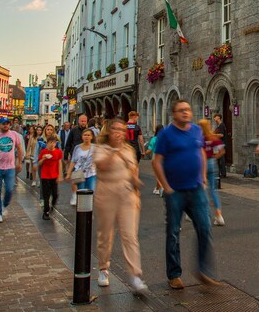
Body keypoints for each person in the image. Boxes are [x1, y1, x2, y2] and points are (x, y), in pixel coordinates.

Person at [152, 100, 220, 289]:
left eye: (188, 110)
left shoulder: (197, 130)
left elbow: (201, 152)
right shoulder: (166, 134)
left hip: (196, 188)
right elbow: (156, 162)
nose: (185, 113)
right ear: (174, 114)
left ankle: (203, 270)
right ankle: (174, 274)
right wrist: (165, 186)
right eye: (181, 110)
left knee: (205, 227)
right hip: (175, 191)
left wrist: (204, 176)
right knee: (173, 232)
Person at [93, 117, 147, 294]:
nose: (120, 133)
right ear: (109, 131)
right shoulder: (101, 148)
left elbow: (133, 172)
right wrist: (115, 150)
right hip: (107, 192)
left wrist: (137, 194)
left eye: (123, 130)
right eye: (116, 129)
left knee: (130, 235)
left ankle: (135, 275)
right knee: (106, 235)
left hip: (127, 194)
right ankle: (103, 268)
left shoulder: (130, 150)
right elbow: (102, 165)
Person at [0, 117, 25, 223]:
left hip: (10, 167)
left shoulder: (14, 135)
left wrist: (19, 163)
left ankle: (5, 204)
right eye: (3, 124)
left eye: (7, 123)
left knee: (9, 189)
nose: (5, 125)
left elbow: (19, 149)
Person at [198, 119, 226, 226]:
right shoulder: (213, 138)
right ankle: (219, 215)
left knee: (203, 189)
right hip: (212, 163)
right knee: (213, 190)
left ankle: (204, 215)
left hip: (202, 164)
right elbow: (222, 151)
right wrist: (215, 157)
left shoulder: (200, 139)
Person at [66, 128, 96, 207]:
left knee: (91, 191)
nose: (86, 137)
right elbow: (73, 160)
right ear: (82, 137)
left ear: (92, 137)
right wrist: (69, 173)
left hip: (91, 173)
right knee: (81, 192)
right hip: (79, 173)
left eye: (88, 135)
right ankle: (82, 209)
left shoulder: (95, 148)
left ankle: (88, 209)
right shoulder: (77, 148)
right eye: (85, 135)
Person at [37, 134, 63, 220]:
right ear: (47, 143)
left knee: (55, 194)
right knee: (46, 194)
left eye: (54, 143)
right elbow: (39, 163)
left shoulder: (58, 152)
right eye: (50, 142)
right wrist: (44, 158)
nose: (52, 144)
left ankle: (53, 205)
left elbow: (59, 163)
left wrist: (60, 175)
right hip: (45, 175)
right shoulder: (43, 152)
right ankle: (46, 211)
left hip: (54, 175)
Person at [212, 114, 227, 178]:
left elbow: (221, 135)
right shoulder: (218, 126)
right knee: (218, 159)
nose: (214, 119)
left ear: (218, 117)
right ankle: (219, 173)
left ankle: (223, 173)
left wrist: (213, 135)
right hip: (217, 145)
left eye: (215, 117)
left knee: (221, 159)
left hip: (221, 145)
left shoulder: (221, 125)